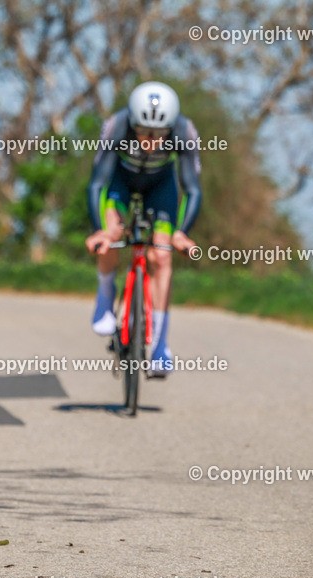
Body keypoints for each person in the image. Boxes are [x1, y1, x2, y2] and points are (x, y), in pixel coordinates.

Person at [85, 81, 201, 377]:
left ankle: (160, 345)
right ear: (133, 123)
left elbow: (192, 188)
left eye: (159, 135)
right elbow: (97, 182)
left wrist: (181, 232)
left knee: (160, 258)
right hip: (121, 183)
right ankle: (105, 295)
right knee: (110, 238)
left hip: (161, 186)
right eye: (143, 132)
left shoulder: (184, 131)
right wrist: (101, 231)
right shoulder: (117, 125)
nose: (150, 141)